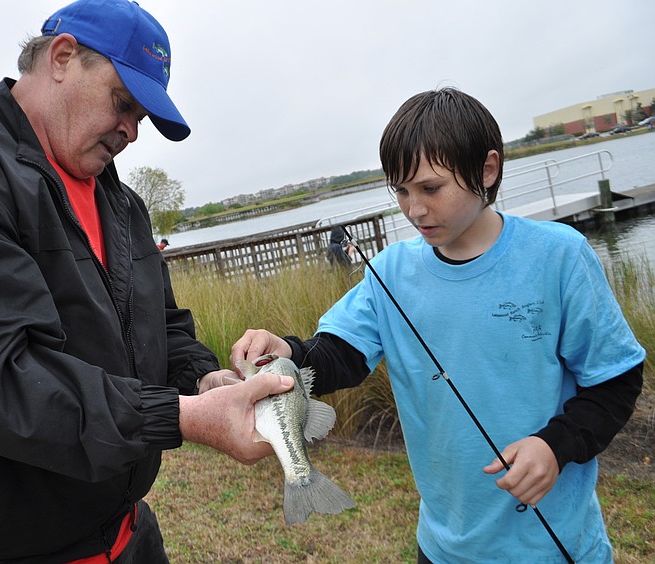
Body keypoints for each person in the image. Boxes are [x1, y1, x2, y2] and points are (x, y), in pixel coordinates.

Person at [0, 1, 293, 562]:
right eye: (123, 103)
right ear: (61, 57)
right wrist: (179, 417)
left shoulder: (119, 202)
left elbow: (161, 327)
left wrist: (201, 379)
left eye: (142, 118)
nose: (131, 130)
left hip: (124, 533)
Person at [231, 88, 645, 563]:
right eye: (401, 191)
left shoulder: (559, 256)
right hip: (444, 546)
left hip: (558, 546)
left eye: (430, 189)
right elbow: (337, 355)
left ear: (487, 170)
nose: (414, 209)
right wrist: (283, 353)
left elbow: (616, 379)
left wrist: (555, 446)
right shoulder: (390, 271)